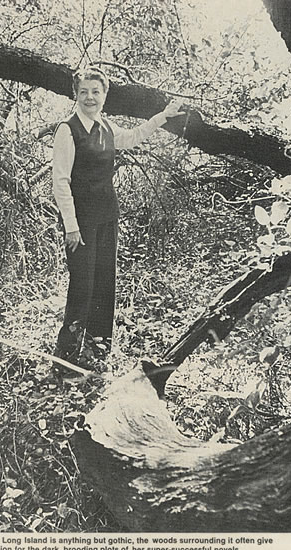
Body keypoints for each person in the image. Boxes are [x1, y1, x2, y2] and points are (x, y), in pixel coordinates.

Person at [52, 66, 184, 366]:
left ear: (104, 95)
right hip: (81, 223)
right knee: (82, 286)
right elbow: (60, 182)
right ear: (76, 94)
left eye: (95, 92)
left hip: (108, 217)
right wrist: (71, 227)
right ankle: (67, 358)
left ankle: (98, 351)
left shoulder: (107, 127)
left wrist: (162, 116)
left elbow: (135, 136)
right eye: (83, 92)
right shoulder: (67, 130)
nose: (89, 97)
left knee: (104, 284)